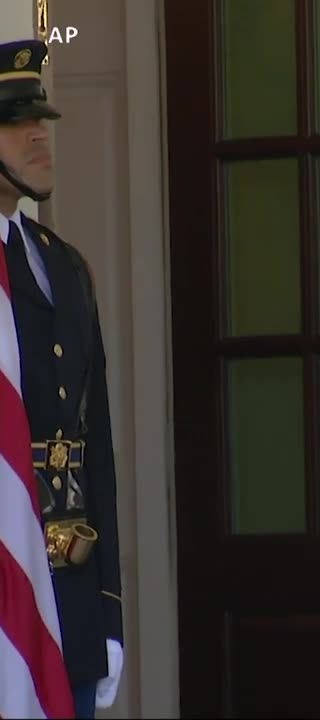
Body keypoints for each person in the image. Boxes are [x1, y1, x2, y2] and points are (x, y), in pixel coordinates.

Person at [0, 39, 124, 718]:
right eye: (13, 122)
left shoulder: (61, 265)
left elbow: (92, 446)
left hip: (65, 598)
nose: (36, 136)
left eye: (37, 118)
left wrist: (108, 614)